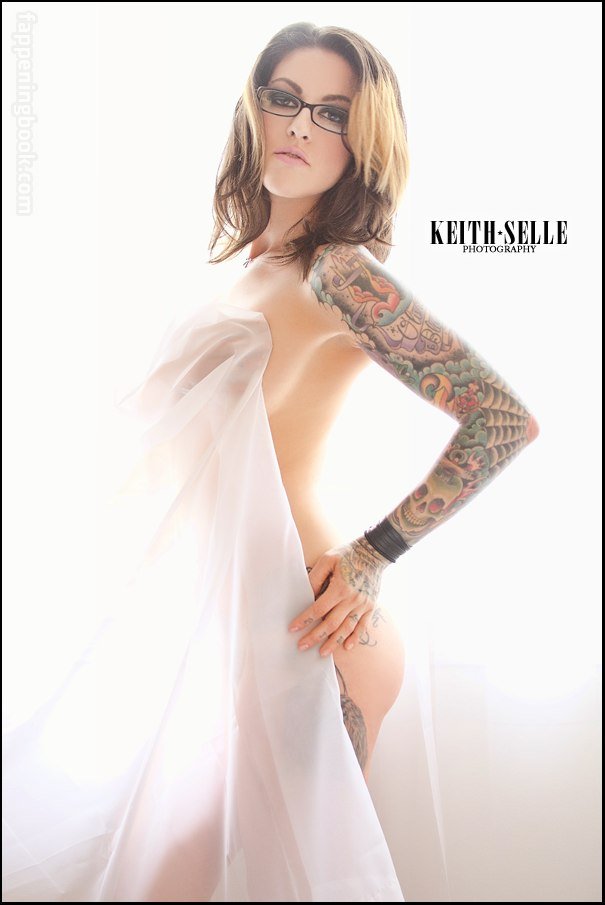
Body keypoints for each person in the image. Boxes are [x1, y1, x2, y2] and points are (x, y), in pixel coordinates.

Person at [2, 22, 539, 903]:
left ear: (362, 142)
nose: (298, 124)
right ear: (254, 107)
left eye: (332, 113)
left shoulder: (340, 274)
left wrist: (371, 556)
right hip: (229, 640)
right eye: (283, 98)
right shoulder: (251, 263)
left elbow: (502, 418)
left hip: (311, 635)